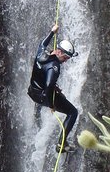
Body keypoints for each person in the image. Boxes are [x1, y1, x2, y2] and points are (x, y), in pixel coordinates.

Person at [27, 24, 78, 153]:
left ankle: (36, 118)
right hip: (43, 96)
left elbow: (42, 43)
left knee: (49, 94)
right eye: (65, 57)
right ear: (59, 51)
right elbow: (49, 85)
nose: (65, 61)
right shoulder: (54, 67)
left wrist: (52, 32)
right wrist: (51, 105)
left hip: (33, 92)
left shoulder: (42, 53)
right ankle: (61, 145)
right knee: (73, 112)